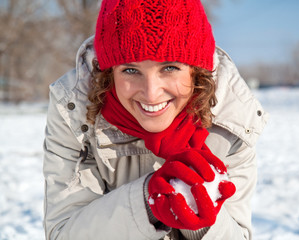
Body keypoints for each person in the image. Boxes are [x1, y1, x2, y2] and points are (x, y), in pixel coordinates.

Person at [43, 0, 268, 239]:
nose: (151, 93)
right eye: (130, 70)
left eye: (169, 68)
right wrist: (146, 206)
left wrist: (201, 222)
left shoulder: (231, 120)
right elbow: (63, 232)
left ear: (195, 70)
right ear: (108, 73)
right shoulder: (75, 112)